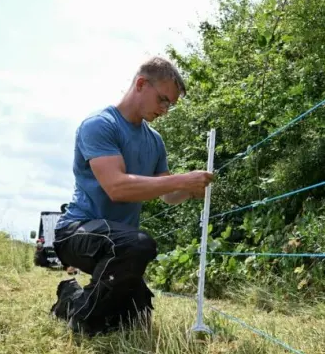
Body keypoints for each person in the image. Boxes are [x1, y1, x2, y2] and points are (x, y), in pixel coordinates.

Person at [51, 56, 213, 335]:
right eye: (163, 100)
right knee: (139, 245)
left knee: (135, 320)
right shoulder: (100, 125)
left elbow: (167, 194)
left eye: (170, 105)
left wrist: (189, 189)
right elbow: (117, 188)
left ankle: (71, 297)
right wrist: (181, 180)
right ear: (141, 84)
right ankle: (82, 318)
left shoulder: (154, 141)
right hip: (76, 232)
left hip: (119, 241)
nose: (165, 110)